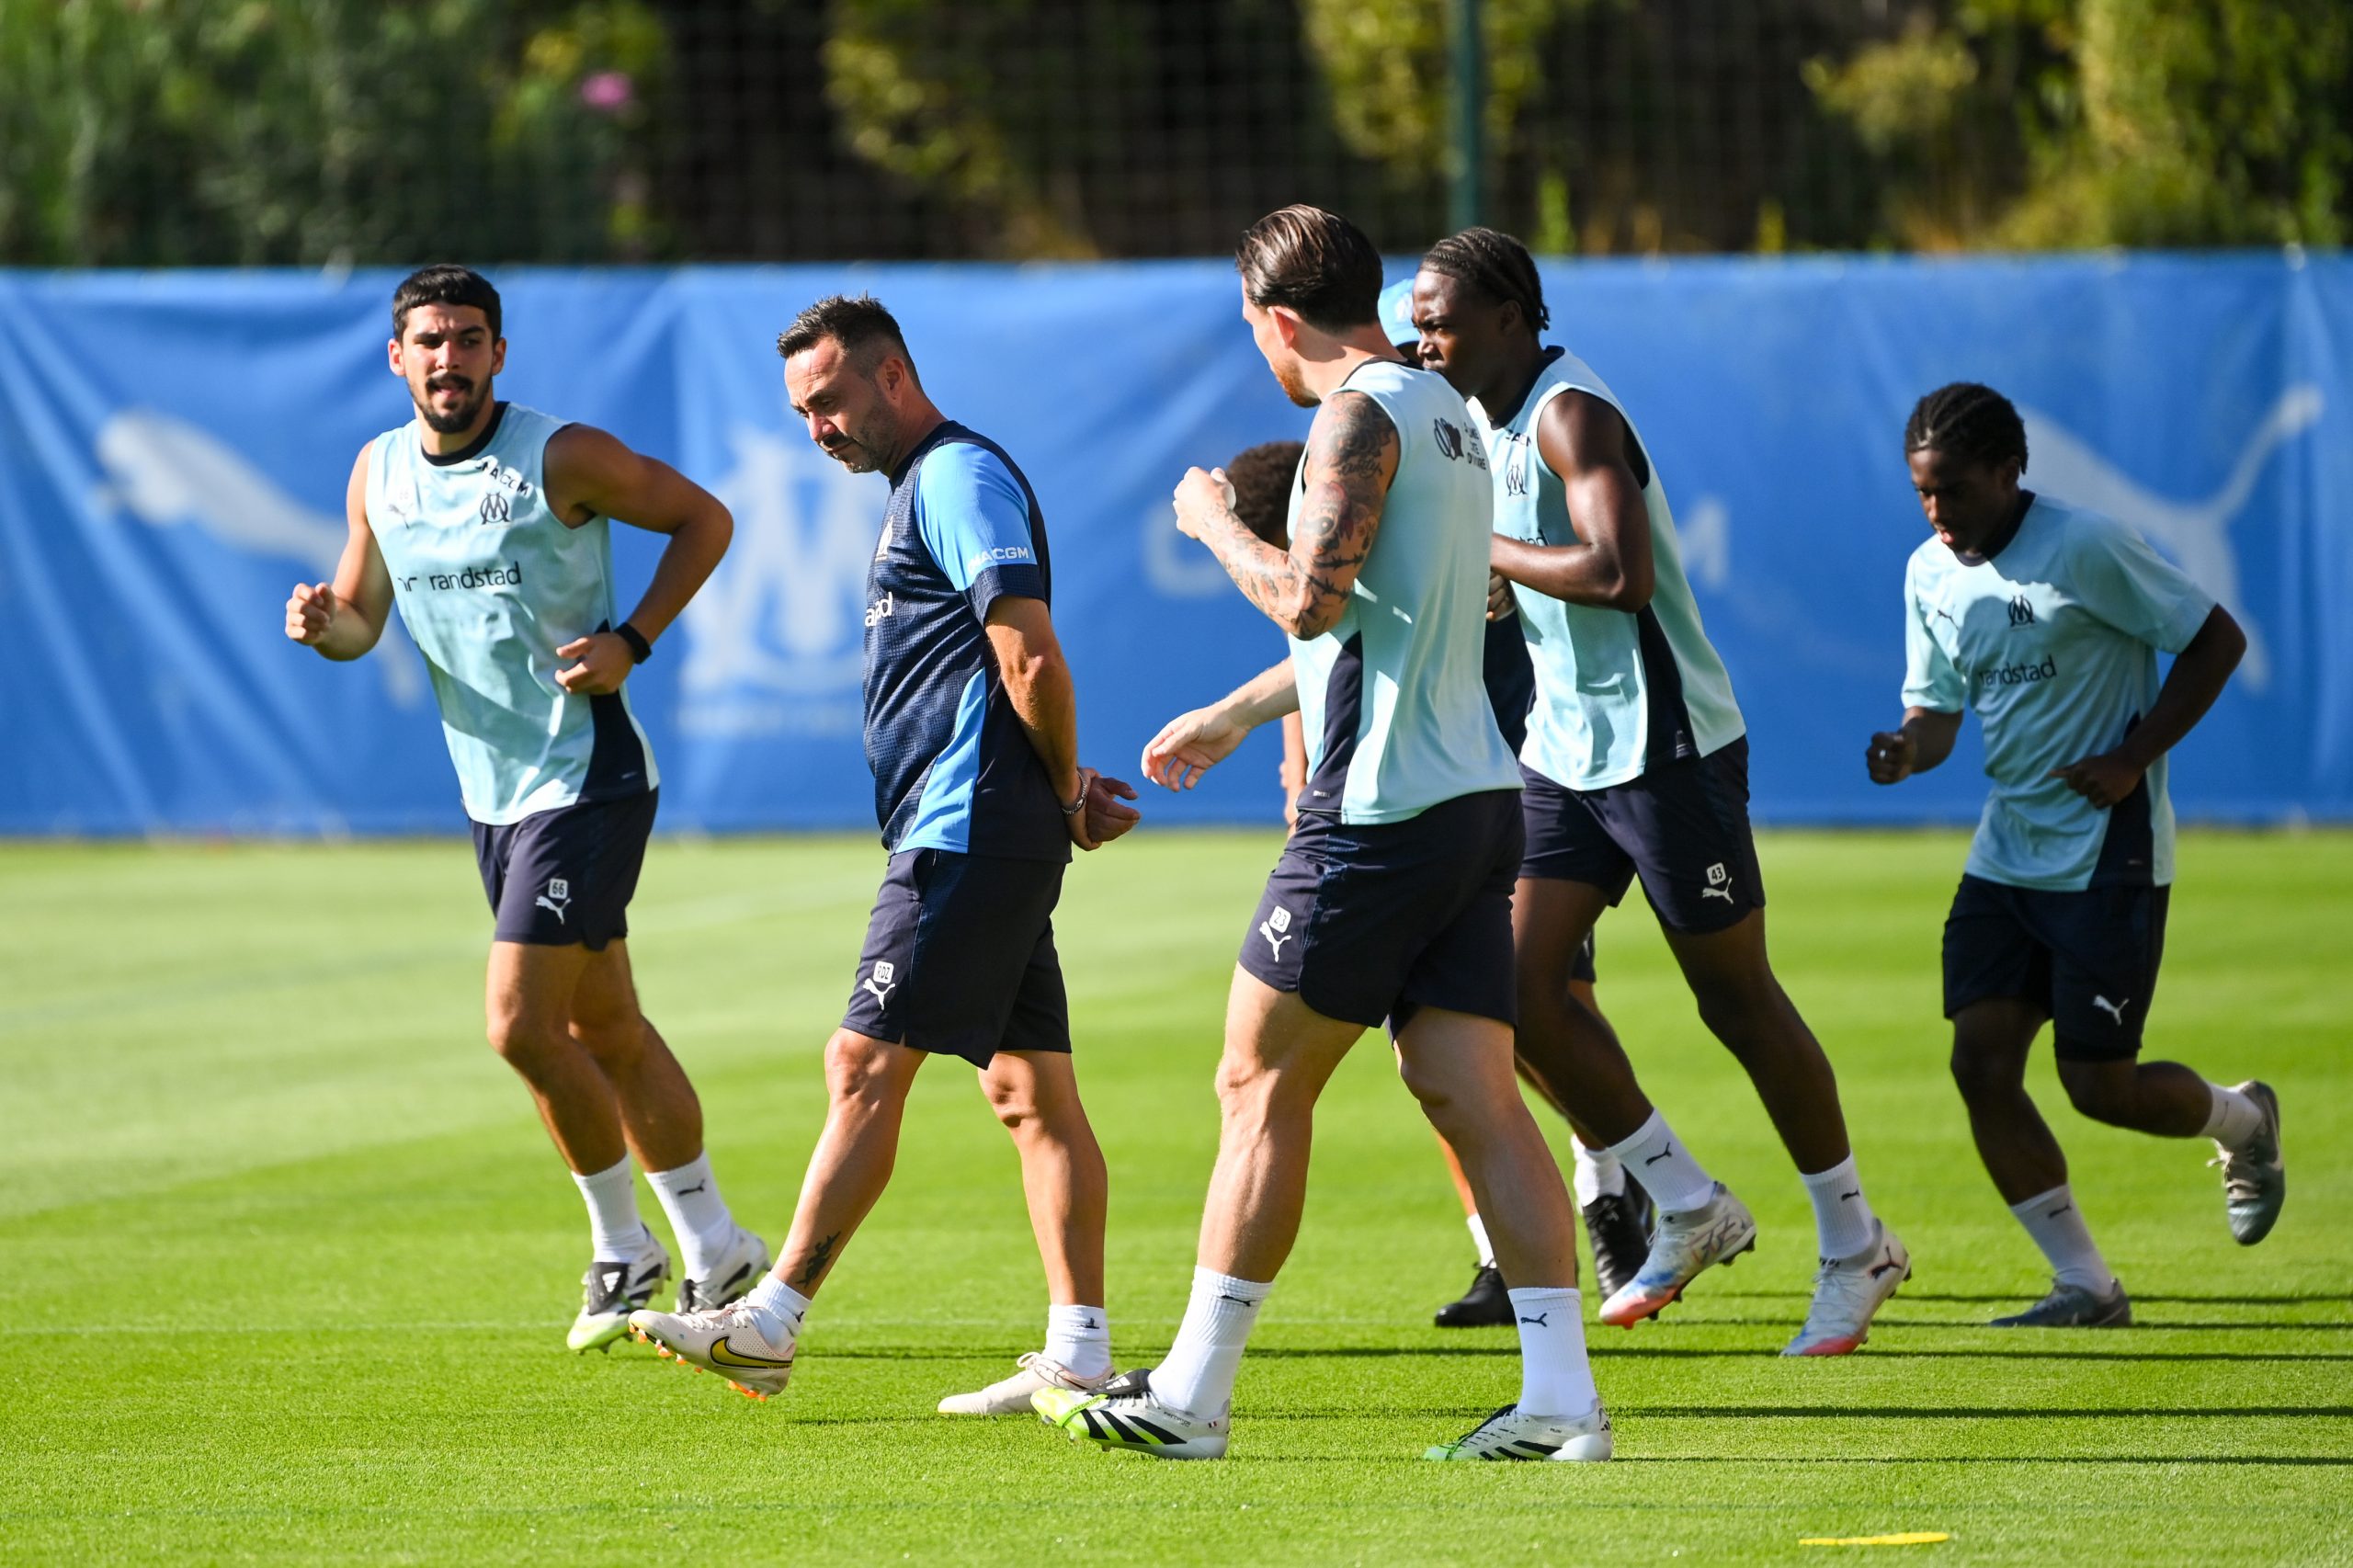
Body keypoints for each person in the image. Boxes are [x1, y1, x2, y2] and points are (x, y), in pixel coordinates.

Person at [1040, 206, 1612, 1462]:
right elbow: (1402, 619)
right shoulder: (1452, 409)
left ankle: (1190, 1393)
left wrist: (1211, 523)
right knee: (1468, 1087)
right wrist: (1241, 713)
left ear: (1279, 320)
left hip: (1381, 807)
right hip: (1475, 801)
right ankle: (1563, 1400)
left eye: (1253, 327)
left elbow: (1310, 596)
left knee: (1257, 1077)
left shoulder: (1355, 413)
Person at [625, 295, 1142, 1414]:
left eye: (827, 400)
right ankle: (1081, 1349)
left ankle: (771, 1319)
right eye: (801, 410)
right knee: (1029, 1091)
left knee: (862, 1066)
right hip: (981, 826)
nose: (816, 427)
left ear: (891, 374)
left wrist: (1057, 788)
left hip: (965, 831)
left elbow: (1028, 653)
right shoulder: (925, 485)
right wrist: (1054, 790)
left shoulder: (955, 478)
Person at [1409, 228, 1908, 1356]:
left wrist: (1484, 552)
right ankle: (1683, 1199)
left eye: (1438, 316)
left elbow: (1619, 576)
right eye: (1415, 319)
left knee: (1736, 1000)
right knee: (1514, 989)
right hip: (1565, 750)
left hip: (1666, 752)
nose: (1422, 336)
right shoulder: (1484, 424)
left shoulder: (1572, 412)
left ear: (1509, 313)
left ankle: (1854, 1242)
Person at [285, 264, 765, 1353]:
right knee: (609, 1027)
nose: (447, 358)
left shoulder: (562, 456)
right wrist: (327, 624)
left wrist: (632, 640)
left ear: (499, 354)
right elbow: (363, 618)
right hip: (492, 793)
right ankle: (718, 1244)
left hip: (584, 777)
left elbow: (705, 517)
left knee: (518, 1025)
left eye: (467, 339)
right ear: (396, 358)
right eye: (428, 341)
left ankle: (622, 1248)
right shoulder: (378, 470)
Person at [1867, 381, 2282, 1327]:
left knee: (2100, 1087)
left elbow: (2215, 637)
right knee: (1979, 1065)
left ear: (2009, 472)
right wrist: (1904, 751)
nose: (1937, 513)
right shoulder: (1928, 572)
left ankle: (2244, 1120)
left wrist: (2133, 757)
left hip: (2106, 856)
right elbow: (1934, 716)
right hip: (2004, 854)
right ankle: (2087, 1286)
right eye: (1922, 494)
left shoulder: (2086, 545)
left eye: (1955, 491)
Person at [1229, 416, 1650, 1324]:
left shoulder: (1413, 482)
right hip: (1470, 809)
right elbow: (1324, 658)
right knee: (1451, 1066)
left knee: (1544, 1013)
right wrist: (1273, 750)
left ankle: (1627, 1174)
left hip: (1480, 795)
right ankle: (1534, 1298)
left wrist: (1211, 525)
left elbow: (1320, 622)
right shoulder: (1419, 474)